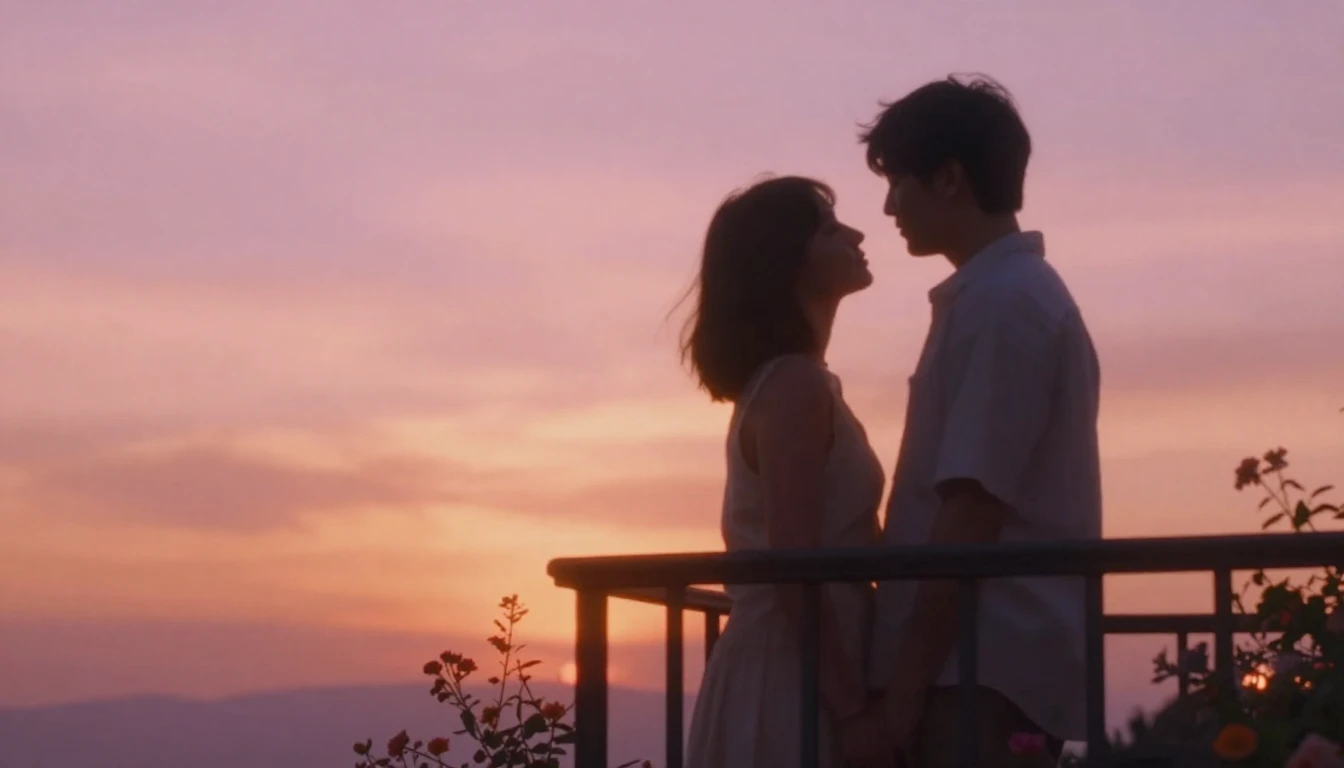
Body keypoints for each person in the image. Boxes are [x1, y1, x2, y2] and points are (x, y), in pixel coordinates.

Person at [859, 75, 1103, 768]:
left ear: (948, 179)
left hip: (977, 672)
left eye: (896, 182)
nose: (887, 207)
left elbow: (971, 509)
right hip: (976, 668)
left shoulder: (1005, 306)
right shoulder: (1000, 297)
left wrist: (903, 693)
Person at [681, 175, 892, 768]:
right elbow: (793, 569)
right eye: (829, 228)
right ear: (788, 263)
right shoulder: (794, 387)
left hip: (800, 669)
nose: (855, 233)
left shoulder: (797, 382)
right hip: (792, 681)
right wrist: (853, 712)